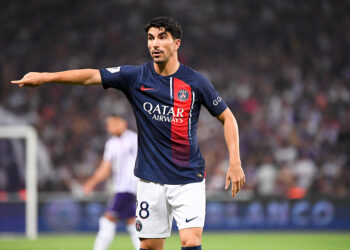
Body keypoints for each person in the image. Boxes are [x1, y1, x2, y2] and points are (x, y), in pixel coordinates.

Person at [12, 16, 245, 250]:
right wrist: (46, 77)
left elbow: (228, 118)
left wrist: (234, 161)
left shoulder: (195, 82)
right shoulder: (135, 77)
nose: (155, 43)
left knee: (190, 241)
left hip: (188, 179)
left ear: (176, 44)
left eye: (162, 37)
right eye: (151, 38)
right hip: (149, 180)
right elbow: (92, 76)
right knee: (150, 246)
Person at [83, 114, 139, 250]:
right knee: (132, 221)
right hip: (122, 188)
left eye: (114, 123)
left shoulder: (134, 139)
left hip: (129, 187)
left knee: (107, 219)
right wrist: (92, 182)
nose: (111, 127)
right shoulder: (111, 143)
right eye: (109, 124)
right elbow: (105, 168)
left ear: (123, 123)